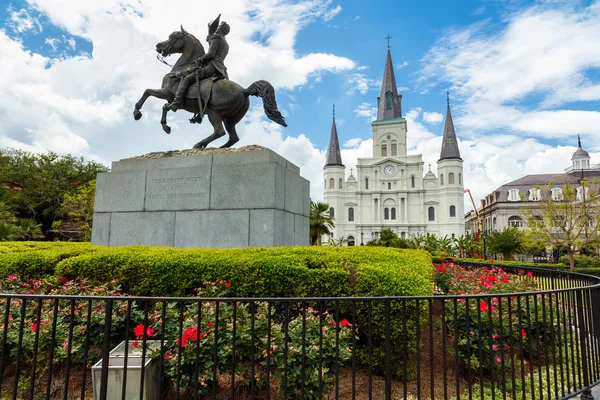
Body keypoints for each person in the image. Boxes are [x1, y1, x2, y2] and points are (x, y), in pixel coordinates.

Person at [166, 16, 230, 112]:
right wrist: (210, 41)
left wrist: (200, 59)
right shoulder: (226, 43)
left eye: (219, 26)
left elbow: (211, 54)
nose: (218, 27)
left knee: (187, 78)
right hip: (221, 70)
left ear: (221, 28)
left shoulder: (216, 37)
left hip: (212, 67)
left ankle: (176, 102)